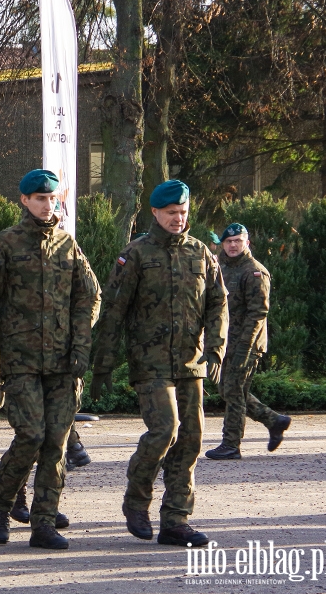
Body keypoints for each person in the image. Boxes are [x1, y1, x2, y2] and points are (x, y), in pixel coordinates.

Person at [91, 179, 228, 548]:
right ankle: (136, 500)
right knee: (165, 430)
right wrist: (102, 365)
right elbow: (114, 310)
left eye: (183, 212)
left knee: (191, 439)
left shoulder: (201, 254)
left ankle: (176, 521)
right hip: (149, 361)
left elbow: (217, 304)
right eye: (171, 213)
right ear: (155, 212)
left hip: (190, 360)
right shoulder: (135, 254)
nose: (178, 219)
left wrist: (215, 349)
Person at [0, 171, 101, 550]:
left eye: (53, 199)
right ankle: (1, 499)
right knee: (31, 435)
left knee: (57, 444)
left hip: (63, 364)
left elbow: (89, 297)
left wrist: (81, 345)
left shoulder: (67, 244)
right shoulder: (5, 245)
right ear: (24, 201)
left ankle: (43, 523)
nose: (48, 205)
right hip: (21, 361)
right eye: (40, 199)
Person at [205, 223, 291, 460]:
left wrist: (245, 348)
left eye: (238, 241)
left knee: (233, 391)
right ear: (223, 244)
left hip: (247, 344)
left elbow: (258, 314)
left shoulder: (254, 272)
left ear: (247, 243)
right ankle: (274, 420)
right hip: (225, 342)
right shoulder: (220, 266)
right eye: (229, 242)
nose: (233, 245)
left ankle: (231, 444)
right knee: (228, 389)